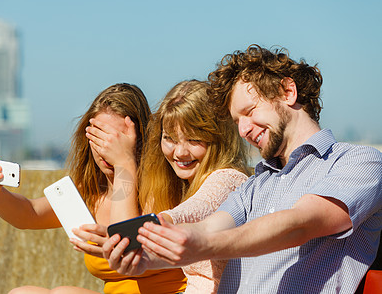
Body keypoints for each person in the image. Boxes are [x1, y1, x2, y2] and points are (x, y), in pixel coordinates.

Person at [103, 45, 382, 293]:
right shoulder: (255, 184)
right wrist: (142, 257)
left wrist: (202, 246)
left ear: (288, 91)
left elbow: (300, 224)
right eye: (237, 121)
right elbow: (207, 228)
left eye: (249, 112)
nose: (244, 130)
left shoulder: (358, 162)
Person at [0, 83, 187, 294]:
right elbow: (30, 213)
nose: (106, 151)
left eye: (116, 141)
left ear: (142, 138)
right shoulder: (93, 192)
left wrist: (124, 165)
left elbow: (127, 249)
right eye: (98, 139)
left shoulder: (168, 188)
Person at [75, 80, 250, 293]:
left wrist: (146, 228)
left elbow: (195, 210)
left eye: (194, 139)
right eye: (170, 138)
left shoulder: (228, 179)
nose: (180, 152)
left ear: (219, 137)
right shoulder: (185, 182)